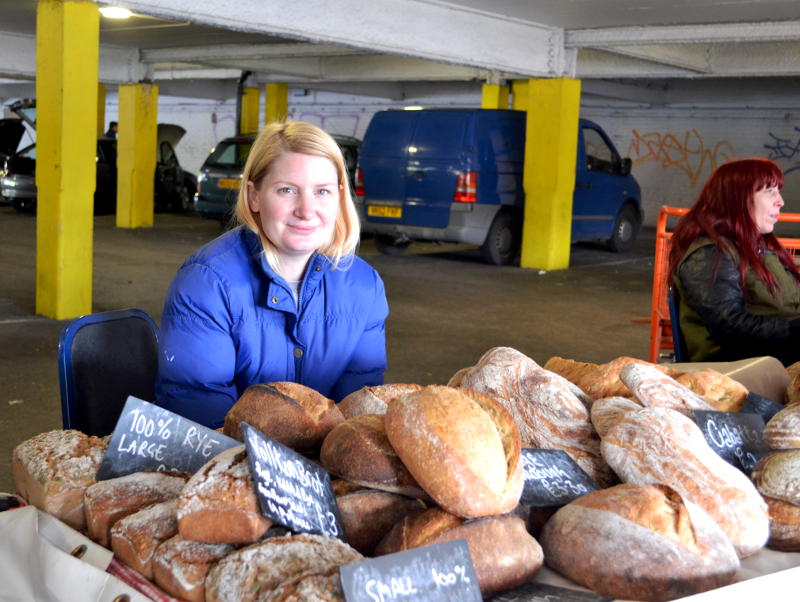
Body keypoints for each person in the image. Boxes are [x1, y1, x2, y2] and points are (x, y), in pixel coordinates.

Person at [155, 121, 389, 428]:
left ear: (339, 197)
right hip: (228, 461)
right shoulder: (207, 283)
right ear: (254, 196)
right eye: (287, 190)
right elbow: (201, 417)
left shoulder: (364, 285)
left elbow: (359, 413)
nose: (307, 210)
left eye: (322, 191)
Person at [668, 157, 800, 365]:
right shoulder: (710, 253)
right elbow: (731, 327)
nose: (780, 201)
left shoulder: (758, 247)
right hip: (743, 369)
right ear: (738, 199)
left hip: (778, 357)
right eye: (770, 191)